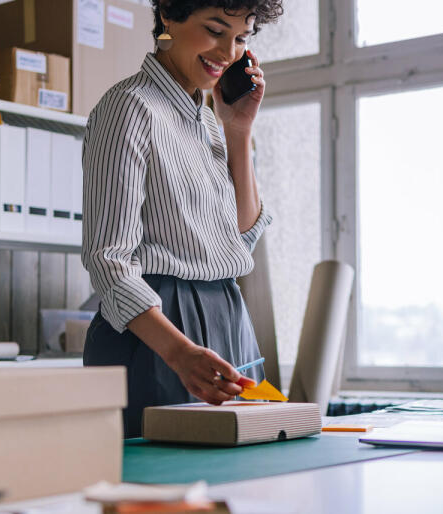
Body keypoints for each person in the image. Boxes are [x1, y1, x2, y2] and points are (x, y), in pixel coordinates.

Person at [81, 0, 284, 438]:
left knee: (244, 483)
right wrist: (180, 353)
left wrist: (239, 130)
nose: (230, 52)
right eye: (215, 30)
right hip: (159, 331)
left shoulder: (210, 121)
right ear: (168, 17)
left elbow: (239, 241)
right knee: (159, 492)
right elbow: (108, 262)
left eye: (242, 38)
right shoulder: (128, 108)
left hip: (229, 318)